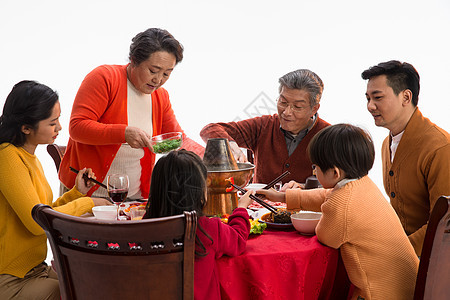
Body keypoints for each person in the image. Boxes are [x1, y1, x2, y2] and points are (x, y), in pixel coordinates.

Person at [258, 124, 419, 300]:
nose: (313, 171)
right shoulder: (362, 184)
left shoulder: (341, 204)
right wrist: (283, 197)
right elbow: (327, 195)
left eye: (315, 167)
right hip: (410, 285)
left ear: (335, 173)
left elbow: (326, 236)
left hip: (377, 294)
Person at [59, 28, 204, 200]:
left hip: (133, 196)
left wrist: (212, 154)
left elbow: (177, 139)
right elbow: (77, 127)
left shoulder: (160, 96)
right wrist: (123, 133)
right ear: (134, 60)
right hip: (87, 193)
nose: (158, 80)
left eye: (166, 73)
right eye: (153, 70)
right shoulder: (105, 78)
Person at [0, 81, 111, 299]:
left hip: (34, 269)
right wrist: (89, 203)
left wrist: (77, 193)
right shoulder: (7, 157)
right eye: (52, 123)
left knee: (90, 284)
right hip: (11, 277)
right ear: (25, 127)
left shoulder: (29, 157)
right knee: (79, 291)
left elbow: (45, 210)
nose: (60, 128)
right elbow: (36, 221)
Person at [362, 60, 450, 256]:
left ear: (406, 96)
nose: (370, 106)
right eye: (367, 98)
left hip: (433, 261)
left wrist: (396, 253)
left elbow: (444, 222)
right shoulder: (388, 143)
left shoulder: (440, 146)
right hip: (403, 253)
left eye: (377, 97)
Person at [143, 149, 252, 300]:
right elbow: (238, 239)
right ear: (198, 191)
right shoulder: (208, 227)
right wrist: (241, 208)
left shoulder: (144, 227)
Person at [200, 69, 330, 185]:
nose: (286, 112)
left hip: (307, 211)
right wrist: (230, 143)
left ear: (314, 109)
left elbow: (340, 185)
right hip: (259, 210)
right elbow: (209, 129)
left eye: (297, 107)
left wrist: (302, 188)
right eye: (283, 102)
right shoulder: (263, 126)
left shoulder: (328, 136)